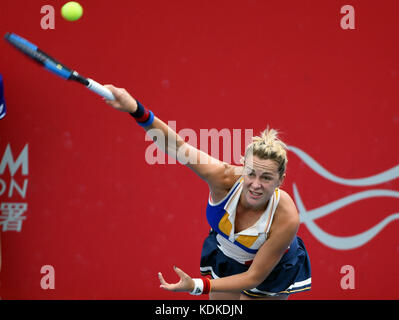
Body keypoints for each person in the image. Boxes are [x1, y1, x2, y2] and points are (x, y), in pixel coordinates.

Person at [103, 85, 311, 300]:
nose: (256, 185)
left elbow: (253, 277)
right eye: (251, 174)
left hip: (271, 272)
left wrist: (195, 285)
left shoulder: (286, 218)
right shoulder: (223, 178)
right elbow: (177, 147)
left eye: (266, 178)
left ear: (280, 181)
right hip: (228, 255)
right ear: (242, 169)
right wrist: (136, 110)